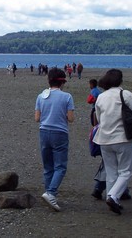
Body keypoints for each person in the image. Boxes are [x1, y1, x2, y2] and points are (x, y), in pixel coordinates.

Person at [93, 69, 132, 214]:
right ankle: (113, 197)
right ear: (120, 80)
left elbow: (99, 117)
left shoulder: (101, 97)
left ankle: (112, 197)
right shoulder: (125, 94)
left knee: (111, 172)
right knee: (126, 171)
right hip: (123, 137)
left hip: (104, 139)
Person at [34, 67, 75, 211]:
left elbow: (37, 118)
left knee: (48, 166)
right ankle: (51, 193)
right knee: (60, 166)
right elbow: (71, 119)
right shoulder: (67, 97)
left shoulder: (41, 96)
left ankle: (49, 192)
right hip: (60, 133)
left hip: (44, 132)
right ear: (62, 82)